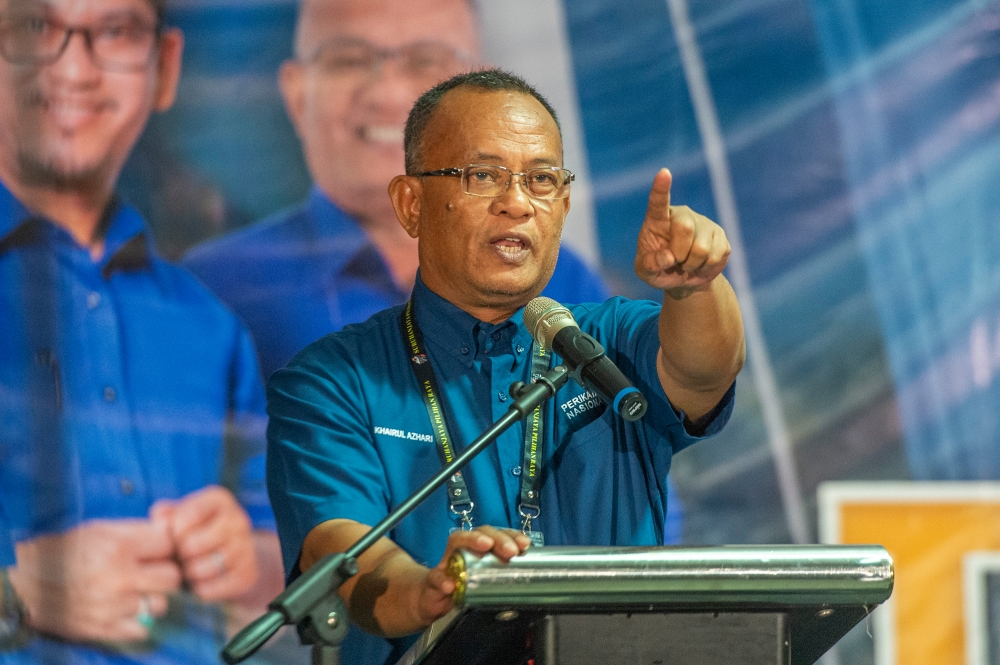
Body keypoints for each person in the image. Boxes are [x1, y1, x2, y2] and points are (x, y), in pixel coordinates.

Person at [266, 69, 746, 665]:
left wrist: (696, 286)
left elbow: (705, 371)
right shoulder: (333, 381)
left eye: (541, 180)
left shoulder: (606, 347)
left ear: (564, 205)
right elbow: (341, 555)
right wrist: (432, 589)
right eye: (483, 175)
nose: (517, 203)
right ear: (411, 204)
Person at [0, 0, 284, 662]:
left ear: (166, 68)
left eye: (118, 32)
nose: (75, 70)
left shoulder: (211, 327)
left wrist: (241, 552)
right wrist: (17, 590)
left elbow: (282, 575)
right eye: (34, 28)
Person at [182, 0, 610, 381]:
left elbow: (623, 462)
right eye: (348, 60)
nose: (387, 94)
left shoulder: (561, 284)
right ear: (297, 96)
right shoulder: (210, 293)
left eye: (425, 60)